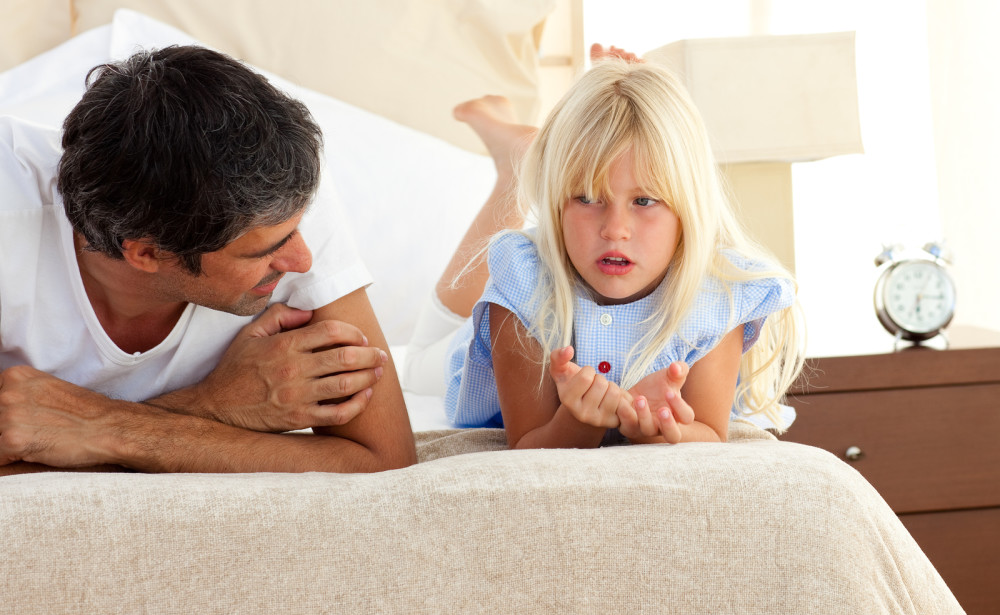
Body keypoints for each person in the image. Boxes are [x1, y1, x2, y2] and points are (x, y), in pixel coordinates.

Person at [0, 45, 417, 475]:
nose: (302, 260)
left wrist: (112, 428)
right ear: (146, 253)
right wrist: (212, 406)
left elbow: (383, 464)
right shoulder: (9, 216)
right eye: (263, 252)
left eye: (295, 231)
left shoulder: (278, 194)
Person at [403, 53, 806, 449]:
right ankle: (519, 164)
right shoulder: (524, 283)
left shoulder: (718, 295)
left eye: (644, 201)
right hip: (478, 345)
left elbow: (709, 433)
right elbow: (528, 442)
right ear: (557, 201)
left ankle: (551, 143)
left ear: (688, 209)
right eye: (587, 197)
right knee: (414, 363)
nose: (615, 230)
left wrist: (651, 426)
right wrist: (579, 422)